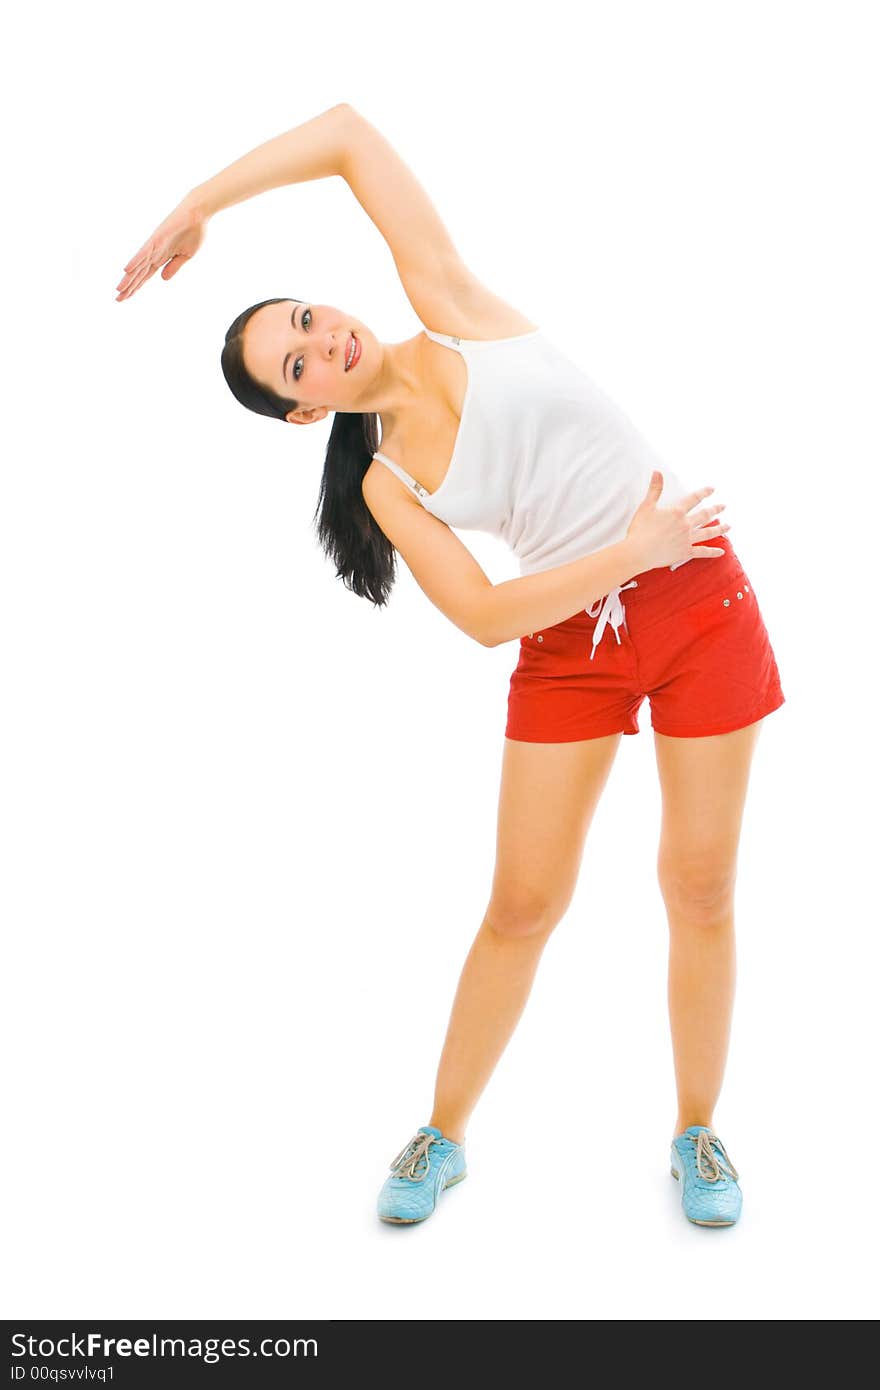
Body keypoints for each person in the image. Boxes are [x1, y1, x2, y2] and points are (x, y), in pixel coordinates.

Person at [116, 102, 784, 1229]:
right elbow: (480, 614)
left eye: (307, 317)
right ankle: (442, 1133)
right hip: (571, 633)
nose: (324, 339)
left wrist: (199, 203)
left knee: (699, 886)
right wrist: (623, 551)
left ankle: (696, 1131)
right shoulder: (384, 481)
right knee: (522, 904)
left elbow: (343, 134)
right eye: (297, 360)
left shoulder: (449, 304)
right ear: (300, 411)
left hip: (696, 599)